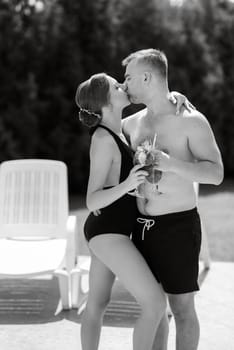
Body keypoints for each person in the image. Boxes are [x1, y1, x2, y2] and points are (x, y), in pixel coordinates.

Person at [121, 48, 224, 350]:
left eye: (128, 78)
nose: (124, 84)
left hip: (178, 228)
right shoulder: (131, 123)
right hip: (140, 228)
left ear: (147, 76)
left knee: (181, 309)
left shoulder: (192, 120)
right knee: (152, 311)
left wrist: (172, 164)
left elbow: (216, 173)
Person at [75, 72, 167, 350]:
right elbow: (92, 200)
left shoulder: (118, 130)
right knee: (155, 302)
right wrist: (128, 184)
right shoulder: (103, 140)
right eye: (117, 85)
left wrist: (176, 98)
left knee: (97, 303)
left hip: (114, 230)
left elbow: (157, 108)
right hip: (108, 233)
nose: (123, 86)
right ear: (106, 101)